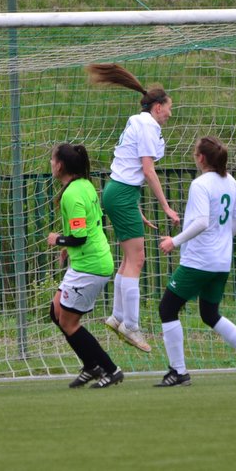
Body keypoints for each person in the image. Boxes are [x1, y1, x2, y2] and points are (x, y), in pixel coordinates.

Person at [157, 137, 236, 386]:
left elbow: (201, 222)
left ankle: (178, 371)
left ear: (201, 158)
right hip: (221, 261)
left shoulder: (200, 184)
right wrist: (221, 239)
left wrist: (174, 241)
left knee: (167, 308)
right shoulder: (231, 182)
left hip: (199, 261)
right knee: (210, 314)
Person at [86, 63, 180, 353]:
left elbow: (129, 168)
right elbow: (147, 170)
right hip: (122, 193)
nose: (170, 113)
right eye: (169, 108)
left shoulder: (138, 121)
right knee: (137, 260)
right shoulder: (149, 126)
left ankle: (117, 317)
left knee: (129, 259)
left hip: (119, 191)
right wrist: (166, 207)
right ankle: (131, 326)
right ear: (157, 107)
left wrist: (135, 205)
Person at [47, 143, 123, 388]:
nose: (51, 163)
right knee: (56, 312)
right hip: (85, 262)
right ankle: (91, 366)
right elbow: (89, 225)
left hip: (90, 267)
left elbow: (79, 237)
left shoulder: (72, 193)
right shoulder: (85, 184)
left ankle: (110, 369)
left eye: (52, 159)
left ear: (60, 165)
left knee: (68, 323)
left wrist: (58, 239)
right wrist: (66, 247)